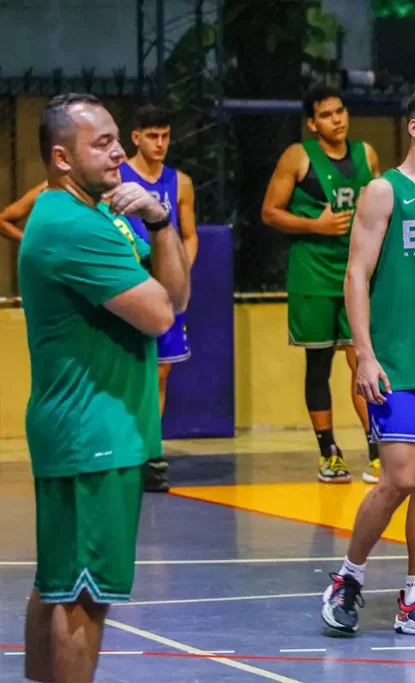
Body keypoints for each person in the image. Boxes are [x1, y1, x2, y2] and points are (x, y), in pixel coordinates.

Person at [19, 93, 190, 683]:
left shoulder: (101, 214)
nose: (121, 151)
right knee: (84, 596)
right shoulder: (72, 226)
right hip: (92, 429)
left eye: (119, 138)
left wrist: (159, 219)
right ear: (62, 158)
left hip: (94, 428)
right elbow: (161, 314)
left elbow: (178, 295)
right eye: (103, 143)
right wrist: (158, 226)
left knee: (59, 584)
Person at [320, 86, 415, 638]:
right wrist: (364, 355)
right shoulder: (383, 192)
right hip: (396, 359)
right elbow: (355, 275)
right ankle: (348, 577)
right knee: (400, 478)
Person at [262, 84, 381, 485]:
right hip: (313, 273)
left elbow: (383, 208)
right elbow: (270, 212)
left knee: (362, 358)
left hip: (356, 273)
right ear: (313, 124)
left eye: (341, 111)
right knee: (319, 363)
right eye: (328, 115)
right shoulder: (298, 157)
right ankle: (328, 451)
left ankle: (377, 448)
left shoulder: (366, 155)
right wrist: (315, 225)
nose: (339, 119)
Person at [118, 104, 198, 492]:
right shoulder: (116, 176)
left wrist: (180, 271)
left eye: (165, 135)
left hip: (165, 291)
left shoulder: (179, 181)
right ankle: (126, 449)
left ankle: (151, 453)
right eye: (152, 136)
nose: (161, 143)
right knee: (131, 369)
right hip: (128, 285)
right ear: (135, 137)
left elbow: (189, 234)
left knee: (161, 373)